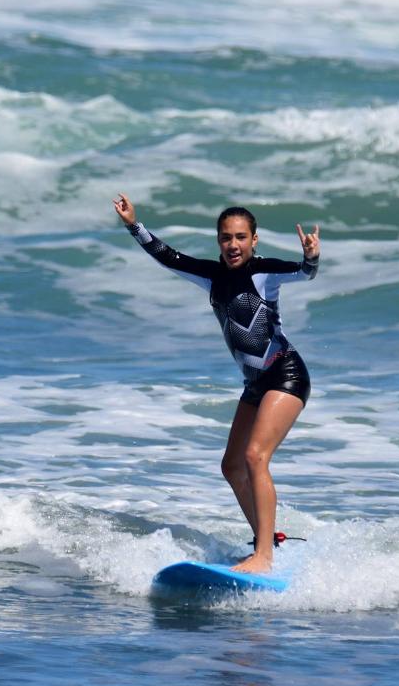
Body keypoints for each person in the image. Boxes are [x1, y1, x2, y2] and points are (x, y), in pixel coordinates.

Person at [113, 193, 319, 574]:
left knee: (255, 457)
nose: (233, 245)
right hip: (255, 383)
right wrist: (133, 225)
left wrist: (310, 256)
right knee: (231, 466)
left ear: (254, 239)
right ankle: (267, 540)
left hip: (285, 374)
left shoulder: (264, 272)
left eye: (241, 237)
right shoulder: (211, 276)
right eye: (226, 237)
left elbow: (304, 273)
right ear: (218, 240)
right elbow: (169, 257)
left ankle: (263, 556)